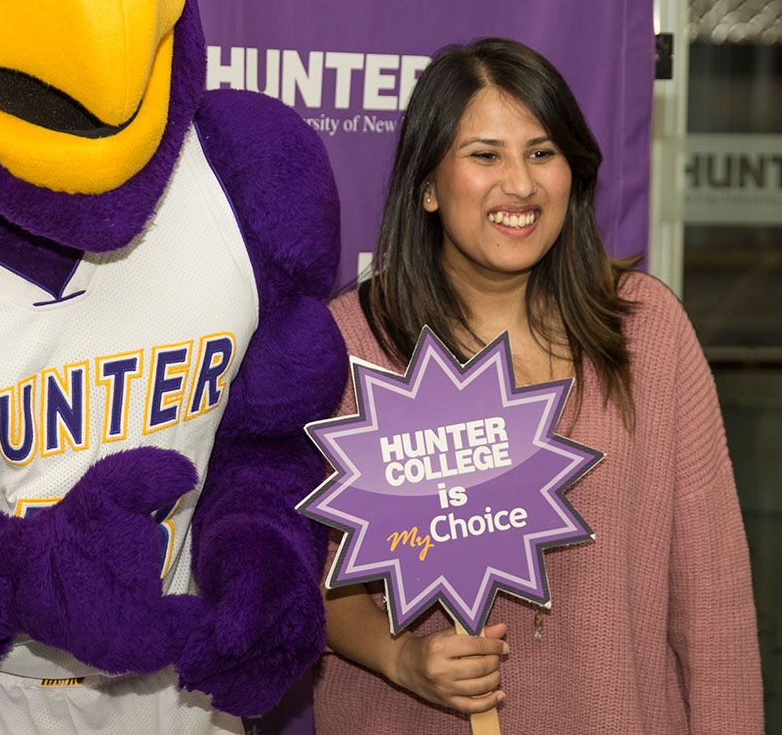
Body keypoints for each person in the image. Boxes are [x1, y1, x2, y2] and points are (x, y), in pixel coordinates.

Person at [314, 37, 763, 733]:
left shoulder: (647, 332)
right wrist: (402, 658)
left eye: (543, 152)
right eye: (485, 154)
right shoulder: (347, 347)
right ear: (427, 185)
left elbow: (714, 602)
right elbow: (291, 577)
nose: (520, 184)